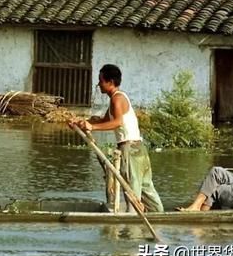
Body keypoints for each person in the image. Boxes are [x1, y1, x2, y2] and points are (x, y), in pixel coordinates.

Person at [69, 64, 164, 213]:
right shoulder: (116, 98)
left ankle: (133, 227)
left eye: (101, 80)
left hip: (130, 150)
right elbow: (103, 120)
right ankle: (161, 216)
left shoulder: (117, 99)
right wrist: (82, 123)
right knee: (146, 190)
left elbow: (117, 122)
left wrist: (92, 127)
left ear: (110, 82)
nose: (98, 84)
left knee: (132, 193)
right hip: (138, 149)